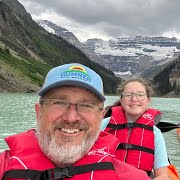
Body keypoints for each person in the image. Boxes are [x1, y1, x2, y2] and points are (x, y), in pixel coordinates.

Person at [0, 63, 150, 179]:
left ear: (100, 116)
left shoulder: (134, 178)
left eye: (86, 105)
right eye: (59, 102)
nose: (71, 118)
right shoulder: (3, 167)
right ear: (39, 112)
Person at [100, 78, 170, 180]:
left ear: (148, 100)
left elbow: (162, 175)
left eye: (140, 95)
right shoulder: (103, 125)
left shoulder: (156, 133)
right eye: (128, 95)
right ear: (122, 101)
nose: (134, 99)